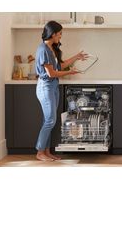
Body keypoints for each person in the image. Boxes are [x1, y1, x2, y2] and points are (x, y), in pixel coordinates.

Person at [35, 21, 88, 161]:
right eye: (59, 34)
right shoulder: (43, 49)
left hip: (53, 87)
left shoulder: (52, 48)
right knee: (50, 120)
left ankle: (46, 151)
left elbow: (61, 65)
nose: (60, 37)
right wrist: (69, 72)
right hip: (45, 87)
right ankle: (40, 152)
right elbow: (52, 73)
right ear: (53, 34)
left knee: (49, 120)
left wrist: (76, 57)